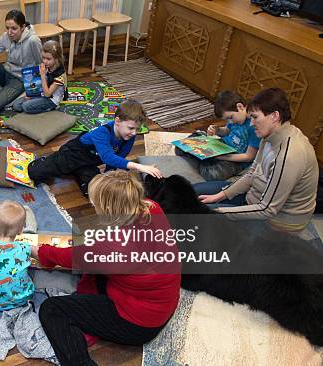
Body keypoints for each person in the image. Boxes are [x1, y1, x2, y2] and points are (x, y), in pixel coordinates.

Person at [30, 170, 181, 366]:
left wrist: (36, 250)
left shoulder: (113, 248)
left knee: (52, 310)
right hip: (162, 303)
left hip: (139, 324)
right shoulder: (152, 207)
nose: (93, 207)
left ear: (108, 207)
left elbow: (68, 257)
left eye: (95, 203)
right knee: (93, 273)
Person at [198, 88, 319, 233]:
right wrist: (219, 196)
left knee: (197, 216)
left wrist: (218, 212)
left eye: (255, 117)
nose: (251, 123)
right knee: (193, 193)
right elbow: (251, 174)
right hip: (255, 196)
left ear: (274, 116)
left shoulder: (289, 155)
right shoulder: (268, 136)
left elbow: (267, 209)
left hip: (278, 221)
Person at [27, 99, 163, 196]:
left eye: (137, 129)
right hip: (73, 153)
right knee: (35, 173)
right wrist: (140, 167)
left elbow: (118, 157)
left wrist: (107, 176)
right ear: (117, 121)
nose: (134, 133)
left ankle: (77, 171)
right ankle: (47, 161)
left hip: (90, 162)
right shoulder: (102, 132)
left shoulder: (129, 136)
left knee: (94, 191)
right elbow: (108, 157)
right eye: (131, 128)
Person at [177, 90, 260, 181]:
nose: (230, 122)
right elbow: (227, 131)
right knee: (181, 147)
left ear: (240, 107)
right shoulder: (236, 119)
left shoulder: (254, 125)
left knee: (212, 175)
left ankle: (204, 160)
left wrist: (221, 157)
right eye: (227, 120)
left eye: (230, 118)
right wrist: (217, 130)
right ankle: (205, 158)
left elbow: (249, 157)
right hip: (222, 147)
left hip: (235, 160)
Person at [12, 40, 67, 114]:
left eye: (48, 59)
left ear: (57, 58)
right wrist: (30, 94)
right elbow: (38, 84)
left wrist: (43, 75)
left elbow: (48, 94)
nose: (45, 61)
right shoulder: (48, 67)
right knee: (16, 105)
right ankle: (35, 104)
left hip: (51, 100)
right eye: (43, 58)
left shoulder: (60, 75)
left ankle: (49, 108)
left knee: (26, 106)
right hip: (41, 93)